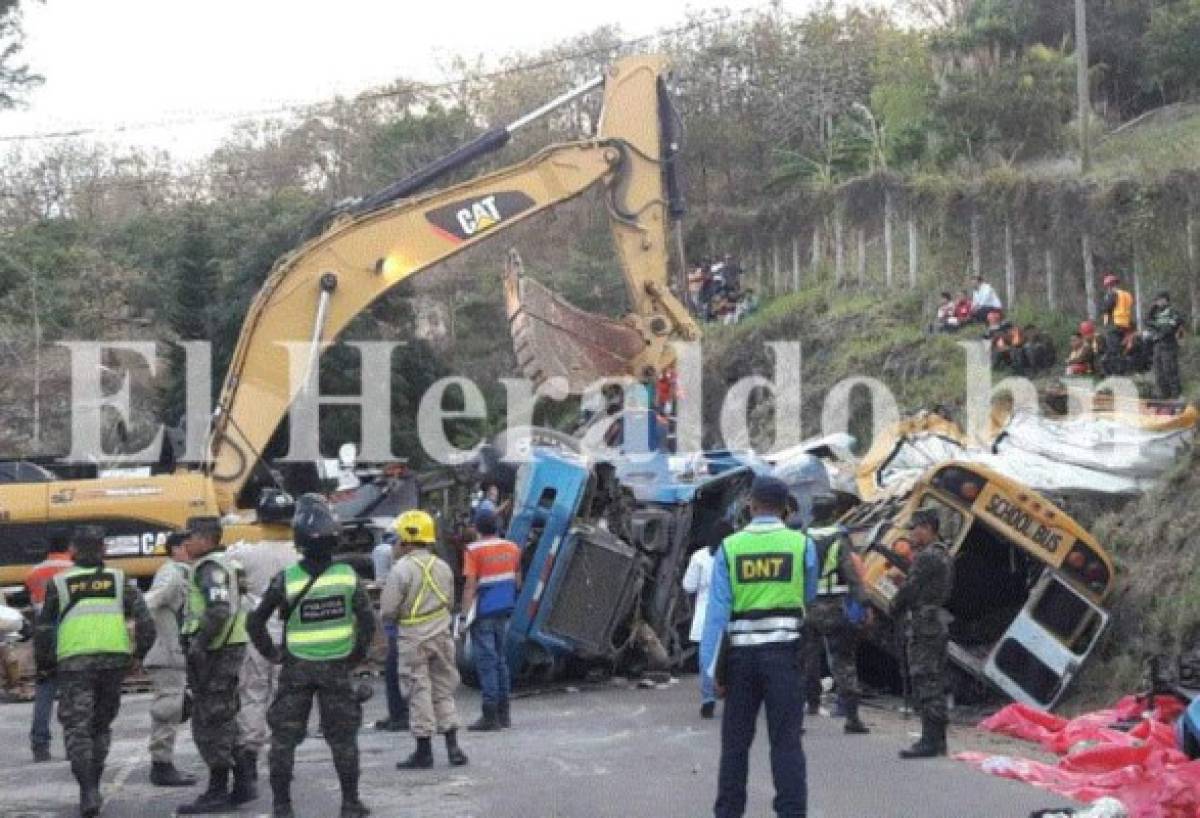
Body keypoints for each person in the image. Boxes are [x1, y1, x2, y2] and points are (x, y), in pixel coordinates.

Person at [247, 494, 375, 818]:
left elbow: (255, 620)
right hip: (336, 667)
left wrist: (272, 653)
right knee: (343, 739)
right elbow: (368, 621)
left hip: (296, 669)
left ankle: (282, 807)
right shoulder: (347, 576)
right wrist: (354, 657)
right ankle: (350, 803)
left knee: (283, 740)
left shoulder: (287, 579)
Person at [700, 476, 816, 818]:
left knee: (735, 746)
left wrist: (712, 675)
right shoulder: (800, 545)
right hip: (785, 656)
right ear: (784, 508)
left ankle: (728, 813)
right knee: (786, 743)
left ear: (750, 505)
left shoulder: (730, 548)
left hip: (741, 661)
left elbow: (717, 617)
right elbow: (807, 595)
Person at [34, 525, 155, 818]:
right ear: (104, 550)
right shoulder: (119, 579)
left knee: (78, 728)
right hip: (113, 661)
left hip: (74, 661)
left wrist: (45, 664)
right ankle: (95, 783)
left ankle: (87, 790)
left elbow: (45, 629)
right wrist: (139, 654)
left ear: (73, 550)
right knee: (101, 726)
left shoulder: (59, 584)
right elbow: (145, 620)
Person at [178, 516, 257, 814]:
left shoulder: (210, 568)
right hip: (227, 647)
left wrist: (199, 644)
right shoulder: (228, 564)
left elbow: (219, 610)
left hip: (216, 650)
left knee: (210, 721)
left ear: (208, 539)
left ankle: (217, 789)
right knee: (225, 715)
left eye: (191, 536)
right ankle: (243, 783)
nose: (186, 541)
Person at [382, 510, 468, 770]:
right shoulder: (442, 566)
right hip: (441, 633)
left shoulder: (401, 570)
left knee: (418, 690)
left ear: (408, 539)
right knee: (443, 689)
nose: (396, 544)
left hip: (413, 638)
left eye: (398, 539)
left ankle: (423, 750)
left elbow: (388, 610)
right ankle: (453, 746)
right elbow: (450, 601)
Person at [226, 532, 301, 786]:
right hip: (291, 634)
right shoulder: (299, 554)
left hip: (255, 633)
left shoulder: (245, 554)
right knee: (286, 699)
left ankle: (249, 754)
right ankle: (283, 757)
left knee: (252, 695)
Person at [891, 509, 954, 759]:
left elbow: (910, 588)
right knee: (934, 680)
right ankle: (937, 740)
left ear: (927, 528)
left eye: (915, 528)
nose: (911, 535)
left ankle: (929, 740)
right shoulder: (943, 554)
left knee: (925, 679)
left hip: (924, 624)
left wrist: (894, 604)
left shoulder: (927, 556)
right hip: (935, 620)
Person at [143, 531, 199, 786]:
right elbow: (150, 602)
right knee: (169, 708)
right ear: (176, 549)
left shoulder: (188, 571)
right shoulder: (172, 572)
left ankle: (164, 763)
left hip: (179, 652)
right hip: (167, 652)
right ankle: (161, 765)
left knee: (178, 707)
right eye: (187, 546)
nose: (193, 550)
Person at [804, 528, 869, 735]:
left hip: (808, 606)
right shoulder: (839, 541)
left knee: (806, 659)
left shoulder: (802, 538)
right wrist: (864, 604)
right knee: (843, 660)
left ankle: (808, 706)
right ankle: (852, 718)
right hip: (834, 607)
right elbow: (852, 576)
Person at [461, 508, 522, 731]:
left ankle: (490, 715)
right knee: (500, 661)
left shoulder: (473, 550)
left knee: (486, 663)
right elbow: (517, 581)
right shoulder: (512, 547)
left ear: (477, 528)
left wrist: (463, 615)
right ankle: (504, 714)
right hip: (505, 610)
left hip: (484, 611)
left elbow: (470, 585)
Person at [26, 539, 73, 762]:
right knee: (72, 693)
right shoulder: (73, 570)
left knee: (44, 690)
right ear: (69, 546)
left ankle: (40, 745)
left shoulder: (35, 572)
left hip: (43, 637)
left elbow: (35, 603)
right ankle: (72, 743)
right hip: (68, 635)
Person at [371, 530, 409, 732]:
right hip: (417, 629)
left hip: (401, 629)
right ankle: (401, 713)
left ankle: (400, 715)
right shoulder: (431, 565)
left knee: (395, 672)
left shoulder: (401, 569)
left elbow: (390, 607)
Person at [682, 536, 719, 719]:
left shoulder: (700, 557)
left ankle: (708, 699)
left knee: (706, 659)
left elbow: (688, 586)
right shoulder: (735, 552)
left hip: (706, 615)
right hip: (733, 614)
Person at [1147, 290, 1185, 399]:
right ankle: (1164, 396)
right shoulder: (1156, 312)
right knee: (1159, 372)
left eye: (1160, 299)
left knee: (1170, 371)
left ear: (1165, 299)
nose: (1158, 302)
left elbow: (1170, 328)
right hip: (1158, 345)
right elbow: (1148, 322)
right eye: (1156, 300)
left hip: (1169, 345)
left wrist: (1158, 328)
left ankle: (1176, 396)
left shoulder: (1173, 311)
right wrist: (1152, 308)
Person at [1100, 273, 1136, 373]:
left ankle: (1118, 372)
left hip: (1114, 325)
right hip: (1126, 326)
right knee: (1123, 350)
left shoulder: (1112, 294)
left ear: (1109, 286)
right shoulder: (1127, 295)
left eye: (1107, 286)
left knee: (1114, 351)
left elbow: (1106, 308)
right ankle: (1125, 370)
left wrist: (1104, 303)